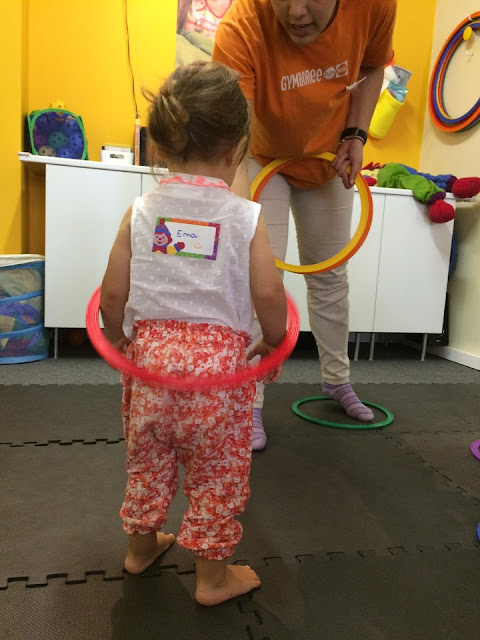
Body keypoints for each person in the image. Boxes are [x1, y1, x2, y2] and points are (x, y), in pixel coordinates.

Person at [100, 61, 287, 606]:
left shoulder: (140, 211)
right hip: (219, 379)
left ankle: (140, 549)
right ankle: (212, 579)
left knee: (147, 461)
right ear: (237, 149)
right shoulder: (245, 216)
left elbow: (111, 294)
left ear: (159, 146)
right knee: (216, 476)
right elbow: (269, 295)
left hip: (150, 369)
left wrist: (117, 338)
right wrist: (274, 343)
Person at [212, 0, 397, 450]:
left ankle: (337, 379)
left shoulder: (375, 6)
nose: (295, 12)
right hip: (262, 158)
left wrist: (356, 135)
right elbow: (236, 137)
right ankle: (249, 399)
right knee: (260, 277)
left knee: (330, 273)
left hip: (329, 159)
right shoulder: (241, 25)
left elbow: (373, 65)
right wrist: (238, 216)